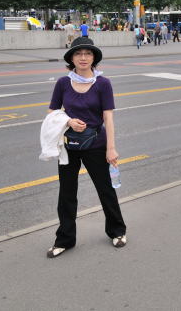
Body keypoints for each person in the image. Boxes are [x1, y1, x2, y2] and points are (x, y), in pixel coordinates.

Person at [46, 37, 126, 258]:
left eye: (88, 54)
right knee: (67, 194)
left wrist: (111, 148)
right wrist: (68, 122)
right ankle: (64, 239)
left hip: (96, 145)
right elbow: (52, 112)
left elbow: (108, 118)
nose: (83, 58)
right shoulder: (63, 83)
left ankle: (117, 231)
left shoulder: (103, 83)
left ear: (94, 58)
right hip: (69, 145)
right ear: (71, 58)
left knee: (105, 190)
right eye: (78, 54)